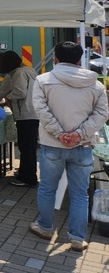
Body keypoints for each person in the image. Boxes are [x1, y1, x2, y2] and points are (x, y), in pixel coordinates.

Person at [30, 41, 108, 252]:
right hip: (83, 146)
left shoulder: (43, 80)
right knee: (80, 194)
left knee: (47, 189)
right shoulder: (96, 84)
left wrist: (60, 134)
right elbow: (102, 114)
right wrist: (79, 134)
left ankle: (45, 227)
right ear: (79, 60)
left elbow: (41, 110)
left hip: (52, 145)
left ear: (55, 58)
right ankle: (77, 238)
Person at [0, 51, 39, 187]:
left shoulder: (18, 74)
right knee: (28, 146)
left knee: (26, 147)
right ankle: (26, 173)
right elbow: (2, 92)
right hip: (33, 113)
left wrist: (7, 99)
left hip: (25, 114)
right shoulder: (28, 70)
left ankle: (28, 178)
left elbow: (20, 92)